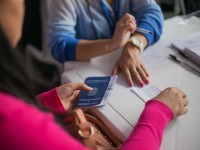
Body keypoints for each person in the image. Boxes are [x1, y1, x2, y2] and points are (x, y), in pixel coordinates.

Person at [0, 0, 189, 150]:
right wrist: (158, 113)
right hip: (91, 75)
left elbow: (153, 15)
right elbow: (60, 46)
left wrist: (135, 43)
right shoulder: (16, 124)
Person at [48, 0, 164, 87]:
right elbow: (60, 46)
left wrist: (133, 45)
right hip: (88, 76)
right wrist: (112, 43)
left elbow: (152, 13)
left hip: (124, 66)